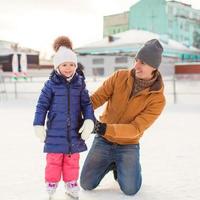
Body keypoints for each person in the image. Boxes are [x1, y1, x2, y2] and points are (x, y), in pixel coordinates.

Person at [80, 39, 166, 195]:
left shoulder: (157, 99)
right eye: (136, 60)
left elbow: (136, 128)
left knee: (130, 189)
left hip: (128, 144)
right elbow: (97, 99)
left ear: (154, 67)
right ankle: (112, 163)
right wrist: (78, 110)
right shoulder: (120, 76)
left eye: (143, 63)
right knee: (86, 183)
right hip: (103, 140)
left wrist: (101, 127)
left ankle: (125, 166)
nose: (137, 66)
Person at [33, 36, 94, 199]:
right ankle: (51, 184)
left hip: (74, 131)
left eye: (72, 64)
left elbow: (87, 104)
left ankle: (71, 184)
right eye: (65, 64)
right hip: (54, 132)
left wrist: (89, 120)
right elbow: (41, 106)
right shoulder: (50, 84)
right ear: (57, 66)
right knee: (53, 160)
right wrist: (38, 124)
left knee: (72, 160)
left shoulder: (80, 84)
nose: (69, 68)